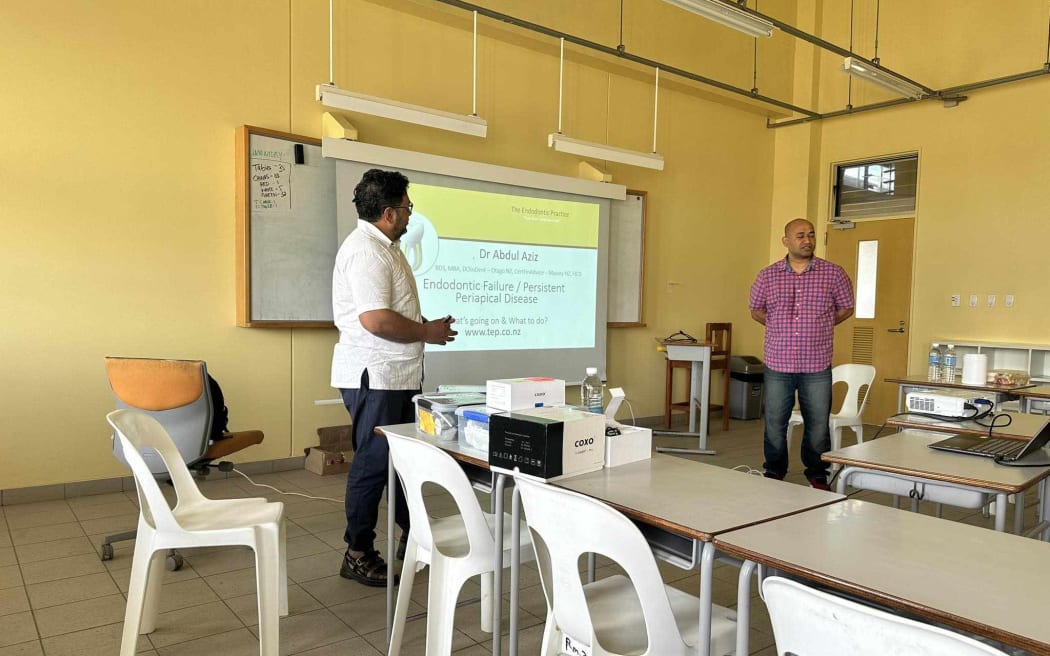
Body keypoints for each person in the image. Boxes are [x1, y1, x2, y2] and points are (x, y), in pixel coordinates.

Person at [331, 168, 457, 586]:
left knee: (403, 462)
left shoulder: (386, 246)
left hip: (396, 374)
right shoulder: (366, 251)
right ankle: (358, 551)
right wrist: (426, 332)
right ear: (388, 212)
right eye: (407, 208)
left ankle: (413, 535)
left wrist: (424, 328)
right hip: (377, 375)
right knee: (373, 463)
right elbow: (376, 320)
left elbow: (393, 312)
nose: (409, 215)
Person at [749, 218, 854, 490]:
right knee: (774, 422)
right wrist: (779, 328)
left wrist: (820, 326)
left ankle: (817, 474)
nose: (807, 240)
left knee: (818, 424)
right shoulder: (767, 275)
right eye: (799, 236)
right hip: (778, 362)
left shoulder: (833, 273)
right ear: (785, 241)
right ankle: (774, 471)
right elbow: (757, 310)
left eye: (811, 235)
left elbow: (845, 308)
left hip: (816, 363)